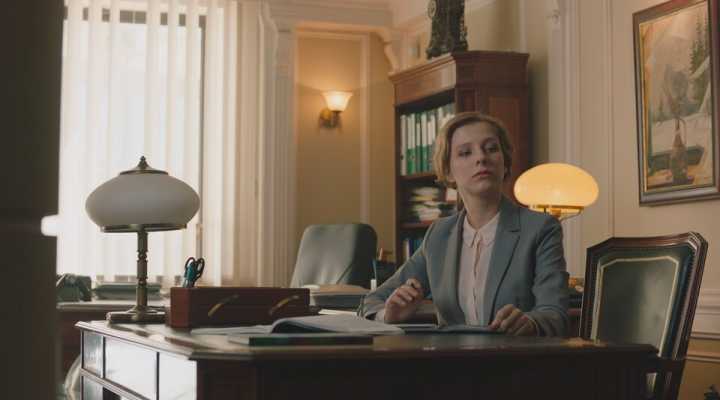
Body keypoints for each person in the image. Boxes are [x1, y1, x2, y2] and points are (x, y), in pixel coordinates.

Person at [361, 112, 569, 336]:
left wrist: (530, 323)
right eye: (465, 153)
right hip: (452, 356)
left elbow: (554, 314)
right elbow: (370, 302)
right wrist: (389, 314)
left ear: (505, 163)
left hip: (514, 355)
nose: (481, 158)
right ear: (448, 171)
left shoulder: (540, 228)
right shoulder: (439, 234)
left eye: (491, 148)